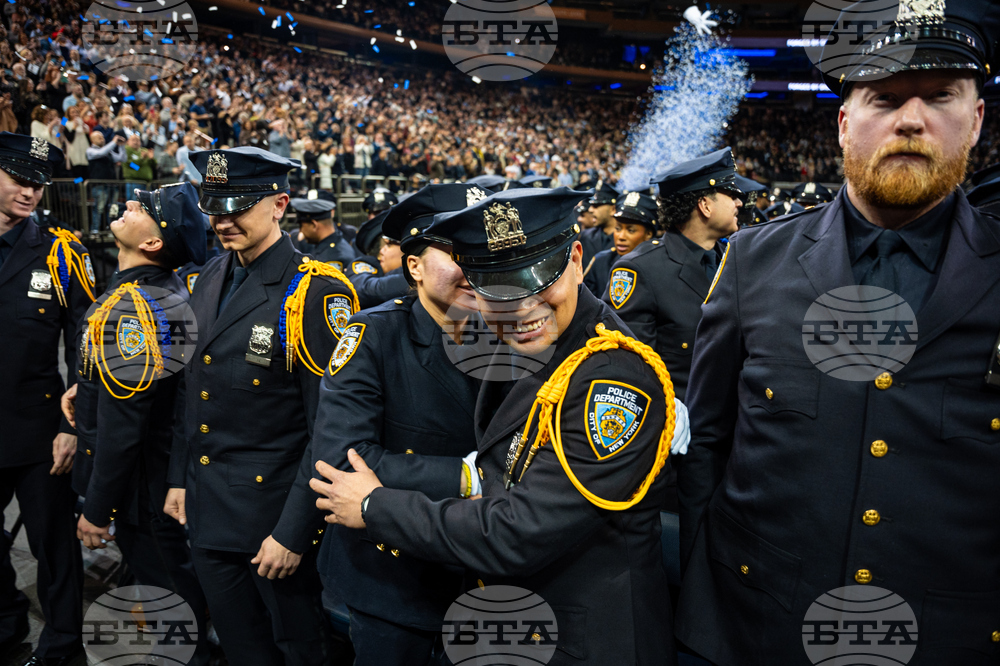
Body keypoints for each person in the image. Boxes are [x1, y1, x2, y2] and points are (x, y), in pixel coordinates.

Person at [675, 4, 1000, 664]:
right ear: (845, 120)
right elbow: (707, 448)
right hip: (757, 632)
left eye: (941, 96)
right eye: (884, 97)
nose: (911, 119)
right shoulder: (750, 263)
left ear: (977, 120)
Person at [311, 187, 689, 666]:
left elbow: (518, 533)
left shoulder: (611, 376)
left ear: (575, 258)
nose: (523, 305)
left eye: (539, 277)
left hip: (582, 633)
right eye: (499, 287)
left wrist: (374, 504)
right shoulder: (530, 342)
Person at [163, 147, 358, 665]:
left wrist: (293, 531)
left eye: (239, 206)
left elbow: (330, 427)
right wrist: (180, 479)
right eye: (215, 207)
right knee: (242, 647)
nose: (223, 220)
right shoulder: (207, 277)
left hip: (271, 519)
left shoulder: (313, 292)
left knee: (298, 650)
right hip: (208, 512)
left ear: (279, 204)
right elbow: (192, 390)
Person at [311, 183, 489, 665]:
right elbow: (342, 459)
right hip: (393, 575)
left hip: (483, 562)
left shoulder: (508, 332)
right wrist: (467, 475)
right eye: (454, 249)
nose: (472, 263)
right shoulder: (372, 335)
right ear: (413, 266)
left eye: (480, 246)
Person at [62, 182, 211, 665]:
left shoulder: (137, 304)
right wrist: (84, 386)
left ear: (152, 244)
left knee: (169, 596)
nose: (129, 203)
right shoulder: (145, 291)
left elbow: (126, 425)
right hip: (146, 479)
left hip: (139, 487)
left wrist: (97, 507)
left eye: (144, 208)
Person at [0, 132, 94, 666]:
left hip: (42, 429)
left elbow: (85, 339)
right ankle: (6, 621)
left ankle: (63, 647)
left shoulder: (60, 252)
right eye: (19, 179)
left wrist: (74, 426)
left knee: (53, 548)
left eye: (39, 183)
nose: (32, 192)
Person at [604, 148, 741, 405]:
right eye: (730, 194)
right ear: (705, 205)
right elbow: (626, 363)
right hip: (677, 428)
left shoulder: (735, 258)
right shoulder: (640, 270)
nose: (739, 202)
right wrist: (666, 408)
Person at [584, 190, 657, 298]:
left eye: (631, 230)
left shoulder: (659, 267)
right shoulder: (600, 261)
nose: (621, 237)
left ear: (649, 234)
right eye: (617, 228)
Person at [344, 209, 410, 309]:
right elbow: (365, 290)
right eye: (385, 244)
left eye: (388, 245)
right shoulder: (370, 264)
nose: (382, 251)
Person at [290, 197, 357, 271]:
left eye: (301, 226)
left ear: (314, 225)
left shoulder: (337, 257)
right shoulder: (323, 245)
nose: (301, 231)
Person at [579, 179, 619, 269]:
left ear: (613, 209)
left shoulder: (623, 239)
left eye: (596, 206)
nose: (590, 210)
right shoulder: (586, 236)